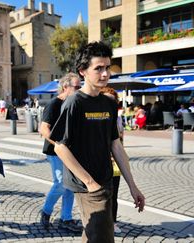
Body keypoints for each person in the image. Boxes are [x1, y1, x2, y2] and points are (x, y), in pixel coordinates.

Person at [51, 41, 145, 243]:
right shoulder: (74, 102)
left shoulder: (109, 103)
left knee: (94, 233)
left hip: (106, 179)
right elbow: (59, 146)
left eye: (107, 67)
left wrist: (132, 186)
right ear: (83, 71)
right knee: (103, 237)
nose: (105, 74)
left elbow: (116, 145)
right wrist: (89, 182)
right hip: (87, 186)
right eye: (98, 68)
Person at [39, 72, 82, 232]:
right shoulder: (54, 104)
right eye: (77, 87)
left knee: (70, 185)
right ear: (66, 87)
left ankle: (66, 218)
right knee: (60, 184)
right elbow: (43, 128)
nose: (80, 89)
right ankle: (45, 212)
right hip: (55, 151)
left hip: (70, 151)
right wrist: (58, 144)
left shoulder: (75, 104)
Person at [100, 86, 124, 234]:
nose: (110, 103)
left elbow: (120, 140)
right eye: (107, 100)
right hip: (98, 161)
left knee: (113, 194)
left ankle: (113, 222)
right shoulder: (96, 116)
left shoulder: (118, 118)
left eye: (113, 101)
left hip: (114, 161)